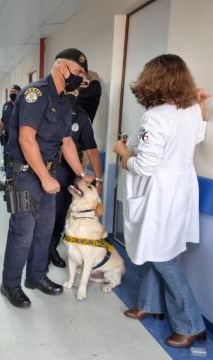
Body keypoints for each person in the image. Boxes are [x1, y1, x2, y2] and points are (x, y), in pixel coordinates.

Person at [113, 54, 208, 348]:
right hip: (181, 188)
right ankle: (149, 304)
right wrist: (200, 103)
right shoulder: (191, 109)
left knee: (163, 257)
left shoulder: (155, 116)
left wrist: (122, 152)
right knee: (159, 249)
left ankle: (192, 325)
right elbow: (198, 134)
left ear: (154, 80)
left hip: (161, 193)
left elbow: (143, 167)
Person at [1, 48, 94, 308]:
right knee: (23, 231)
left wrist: (80, 173)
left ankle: (36, 276)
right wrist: (44, 177)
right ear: (61, 67)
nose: (79, 78)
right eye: (77, 72)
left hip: (48, 173)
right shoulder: (35, 93)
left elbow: (66, 142)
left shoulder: (66, 100)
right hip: (24, 174)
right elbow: (25, 138)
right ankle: (10, 284)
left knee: (44, 228)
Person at [48, 87, 103, 268]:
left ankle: (51, 249)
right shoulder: (48, 108)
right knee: (47, 214)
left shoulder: (81, 116)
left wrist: (98, 179)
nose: (71, 95)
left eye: (74, 92)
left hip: (70, 170)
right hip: (47, 168)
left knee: (60, 213)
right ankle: (42, 253)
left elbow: (92, 149)